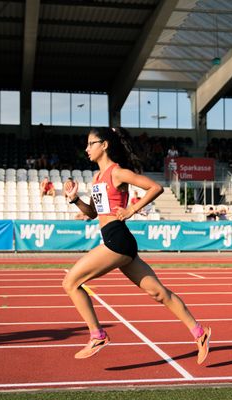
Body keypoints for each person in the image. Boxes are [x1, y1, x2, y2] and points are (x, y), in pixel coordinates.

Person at [62, 127, 211, 362]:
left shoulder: (118, 173)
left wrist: (132, 208)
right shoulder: (97, 178)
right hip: (117, 240)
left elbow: (156, 187)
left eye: (91, 143)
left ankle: (97, 335)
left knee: (70, 282)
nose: (86, 148)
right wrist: (75, 201)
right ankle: (200, 333)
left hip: (117, 241)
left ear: (105, 145)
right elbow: (93, 213)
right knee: (158, 293)